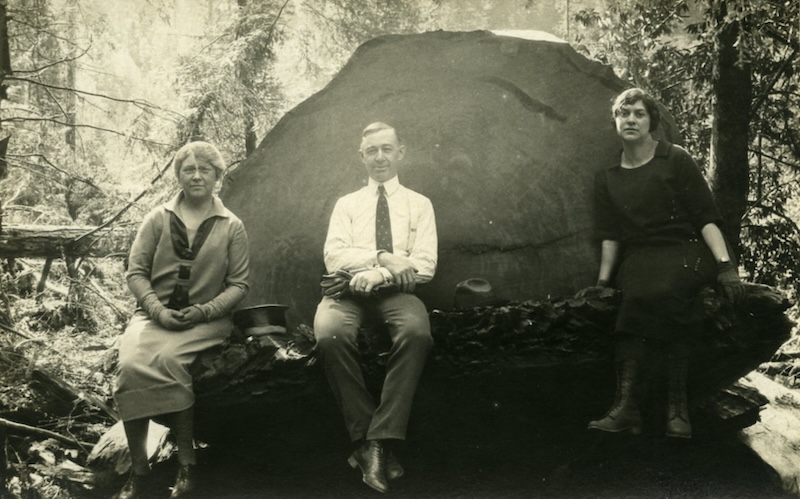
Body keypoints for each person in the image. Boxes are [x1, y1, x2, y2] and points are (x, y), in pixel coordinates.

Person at [580, 88, 745, 439]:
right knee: (638, 294)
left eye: (639, 113)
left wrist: (725, 265)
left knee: (668, 290)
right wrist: (604, 281)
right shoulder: (607, 175)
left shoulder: (675, 159)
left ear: (652, 122)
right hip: (641, 256)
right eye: (624, 113)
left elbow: (707, 218)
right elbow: (610, 235)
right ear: (615, 122)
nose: (630, 119)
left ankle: (677, 407)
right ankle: (626, 408)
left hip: (688, 249)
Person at [113, 141, 249, 498]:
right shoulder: (157, 218)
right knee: (129, 365)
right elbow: (135, 272)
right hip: (152, 316)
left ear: (218, 176)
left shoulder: (231, 226)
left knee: (172, 360)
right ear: (179, 175)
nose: (197, 176)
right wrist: (157, 309)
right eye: (189, 169)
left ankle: (187, 464)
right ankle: (139, 472)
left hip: (205, 320)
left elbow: (238, 284)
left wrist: (205, 311)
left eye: (205, 169)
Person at [314, 122, 437, 493]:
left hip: (396, 294)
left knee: (417, 334)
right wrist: (383, 258)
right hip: (344, 292)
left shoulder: (419, 204)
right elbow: (334, 255)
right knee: (330, 336)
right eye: (372, 151)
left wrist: (379, 275)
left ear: (401, 152)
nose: (380, 157)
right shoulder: (347, 204)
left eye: (387, 149)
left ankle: (378, 441)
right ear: (362, 156)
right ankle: (369, 444)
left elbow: (426, 265)